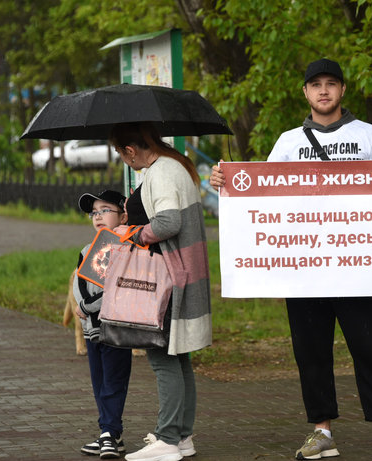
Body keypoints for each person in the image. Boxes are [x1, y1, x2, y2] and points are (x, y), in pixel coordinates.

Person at [210, 58, 372, 460]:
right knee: (311, 354)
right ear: (306, 93)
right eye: (316, 85)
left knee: (370, 350)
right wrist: (225, 184)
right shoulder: (289, 141)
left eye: (331, 84)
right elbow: (261, 197)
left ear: (342, 90)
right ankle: (321, 431)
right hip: (305, 272)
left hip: (358, 267)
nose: (323, 91)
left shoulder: (369, 135)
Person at [109, 122, 210, 461]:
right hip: (180, 272)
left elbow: (168, 223)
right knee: (179, 358)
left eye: (125, 157)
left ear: (131, 150)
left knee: (162, 357)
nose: (128, 164)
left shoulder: (162, 171)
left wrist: (133, 233)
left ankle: (168, 439)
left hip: (168, 278)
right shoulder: (173, 165)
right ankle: (181, 437)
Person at [74, 189, 132, 460]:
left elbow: (114, 289)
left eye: (105, 210)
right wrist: (81, 305)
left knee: (113, 381)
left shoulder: (123, 244)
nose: (97, 216)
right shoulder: (88, 249)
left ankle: (108, 432)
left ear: (123, 214)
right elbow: (79, 284)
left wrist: (85, 307)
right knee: (99, 383)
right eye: (93, 212)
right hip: (91, 329)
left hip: (115, 327)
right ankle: (110, 433)